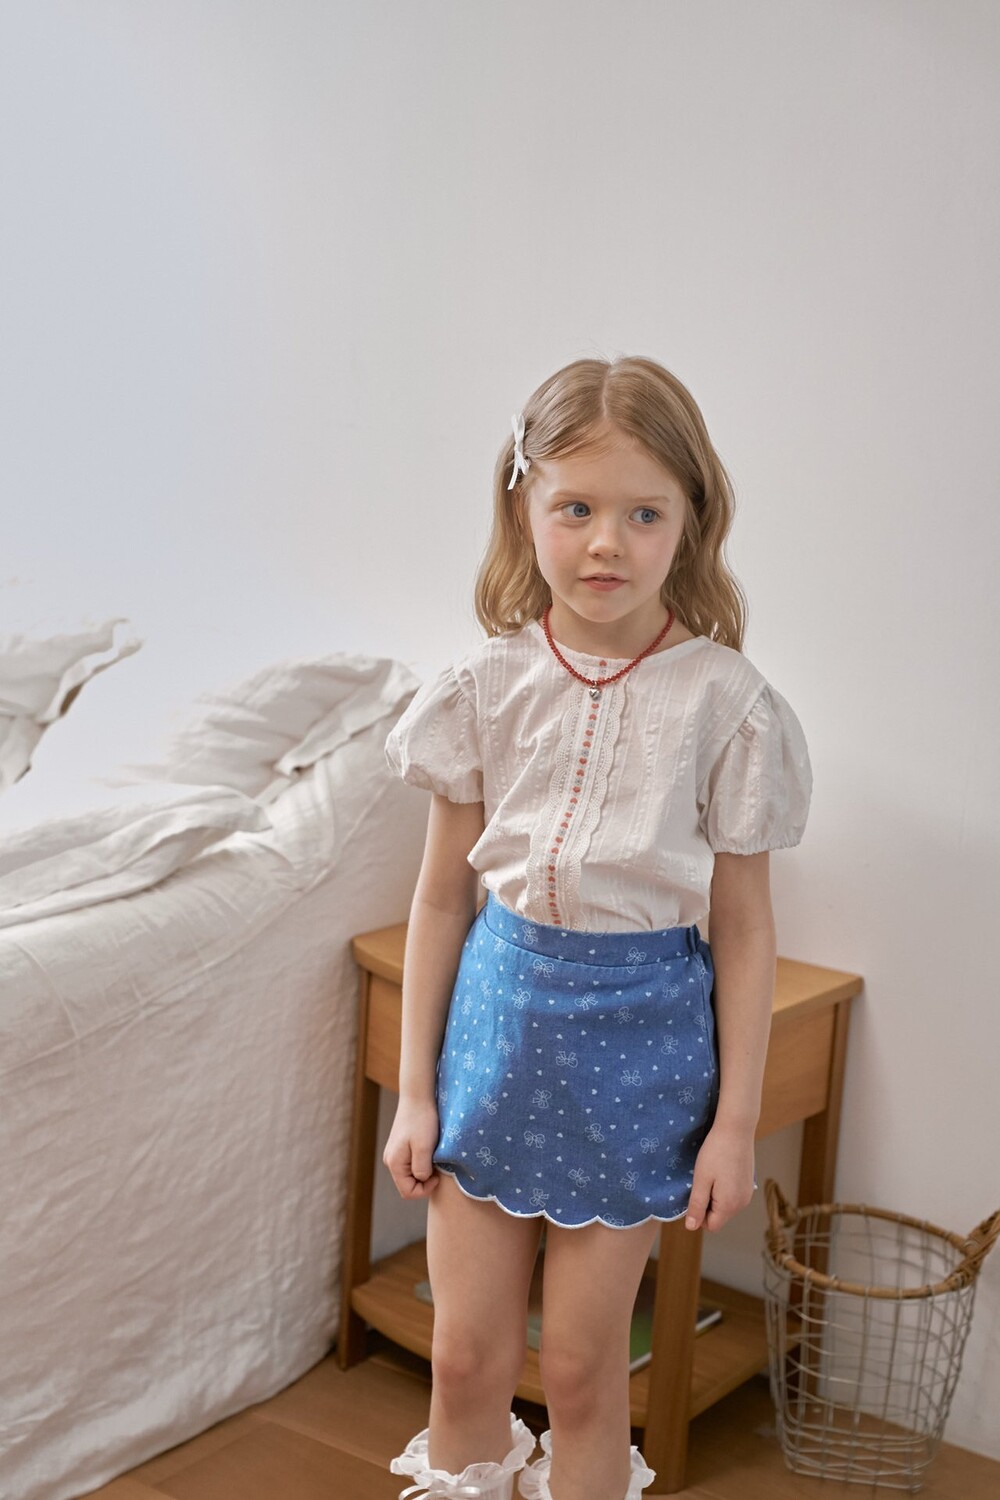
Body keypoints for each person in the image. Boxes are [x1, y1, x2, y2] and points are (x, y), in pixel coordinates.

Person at [380, 355, 812, 1500]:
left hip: (638, 1055)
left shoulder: (727, 704)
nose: (606, 543)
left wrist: (733, 1128)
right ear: (523, 508)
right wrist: (415, 1092)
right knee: (463, 1359)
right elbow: (440, 899)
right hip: (495, 1038)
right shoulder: (481, 687)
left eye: (643, 514)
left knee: (579, 1370)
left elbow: (745, 932)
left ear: (690, 521)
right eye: (575, 508)